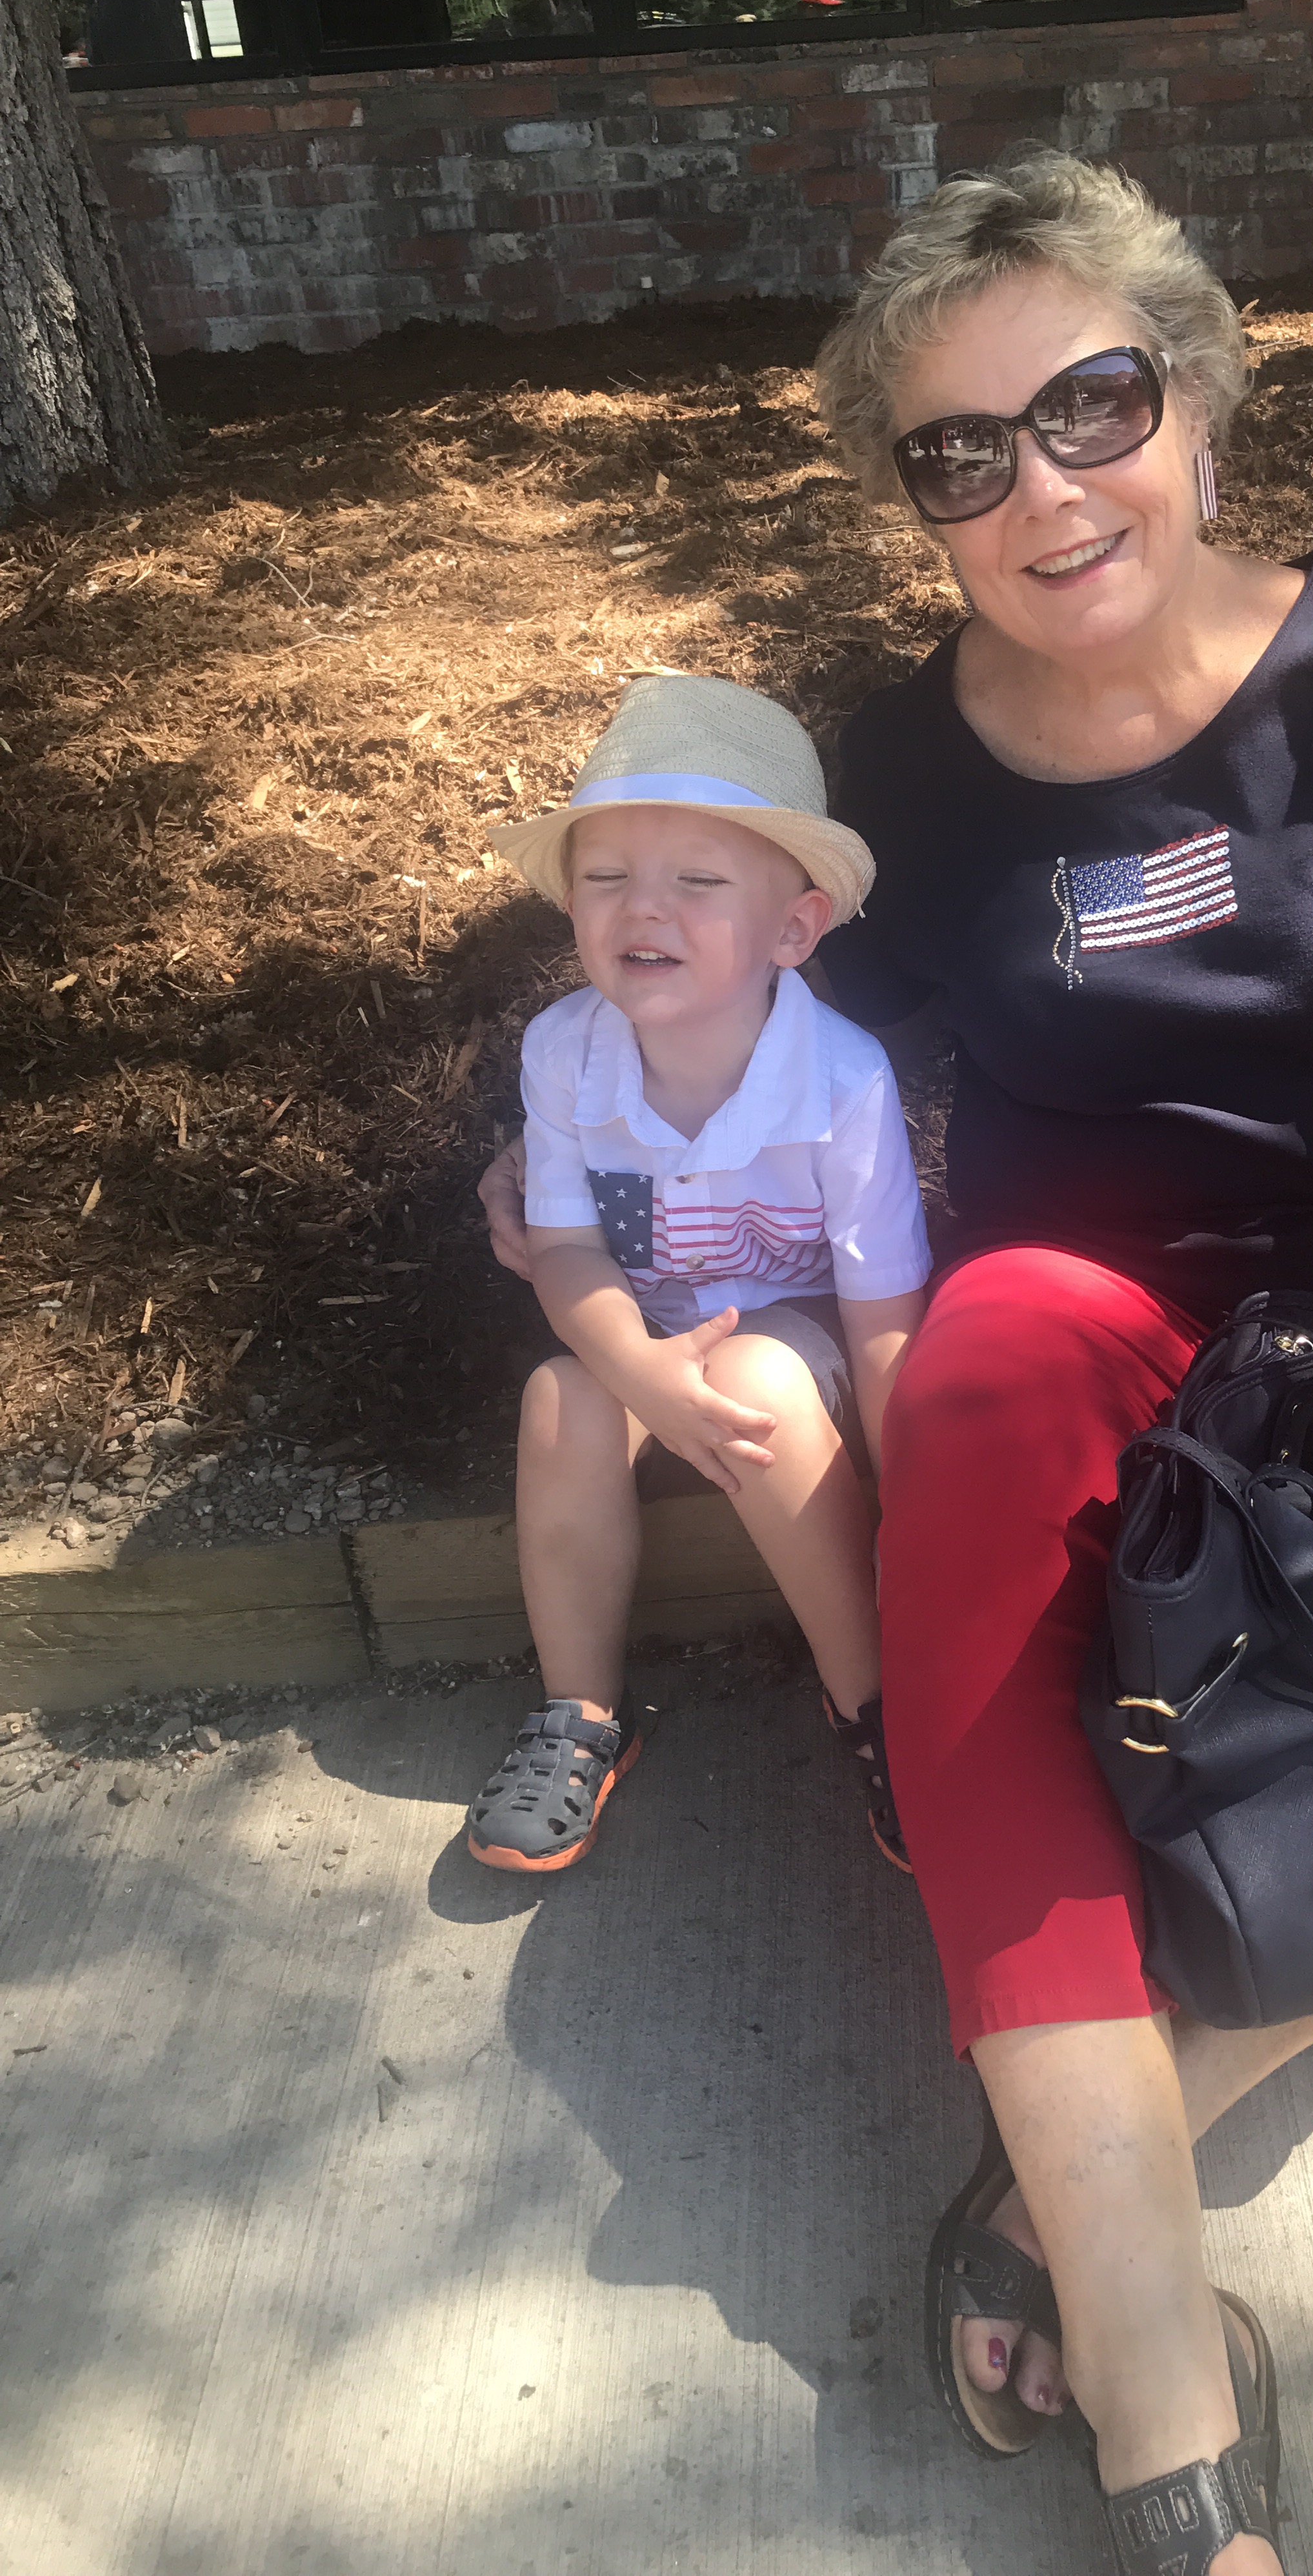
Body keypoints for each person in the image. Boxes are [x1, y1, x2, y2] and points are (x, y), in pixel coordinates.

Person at [479, 161, 1313, 2573]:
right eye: (959, 453)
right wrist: (586, 1187)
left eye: (1090, 403)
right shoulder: (899, 779)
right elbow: (747, 1048)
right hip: (1087, 1312)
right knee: (978, 1375)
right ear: (915, 503)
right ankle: (1165, 2403)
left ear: (1198, 397)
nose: (1041, 486)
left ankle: (1113, 2131)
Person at [465, 674, 930, 1878]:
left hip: (791, 1344)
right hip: (638, 1331)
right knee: (560, 1401)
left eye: (699, 881)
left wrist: (913, 1499)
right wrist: (642, 1376)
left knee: (757, 1384)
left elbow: (882, 1307)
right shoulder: (564, 1052)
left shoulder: (841, 1082)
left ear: (794, 930)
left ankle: (876, 1704)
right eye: (607, 875)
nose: (643, 907)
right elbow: (568, 1248)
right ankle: (578, 1714)